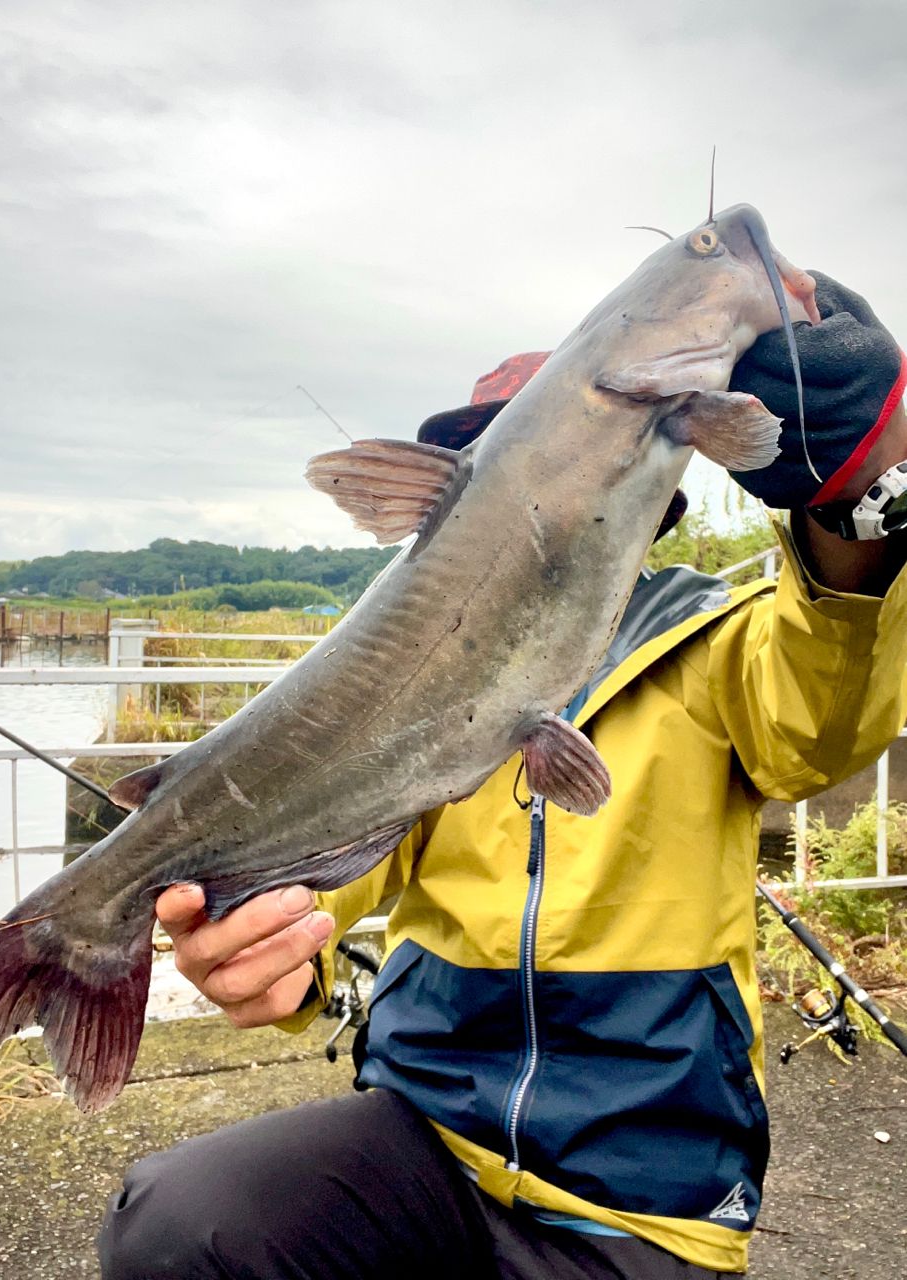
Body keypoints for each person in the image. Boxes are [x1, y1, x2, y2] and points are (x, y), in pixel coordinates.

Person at [99, 274, 907, 1279]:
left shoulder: (726, 643)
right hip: (425, 1130)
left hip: (648, 1182)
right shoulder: (416, 675)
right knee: (185, 1223)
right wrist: (270, 943)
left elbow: (819, 721)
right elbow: (336, 867)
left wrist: (861, 496)